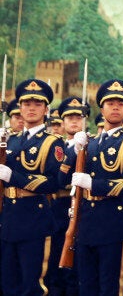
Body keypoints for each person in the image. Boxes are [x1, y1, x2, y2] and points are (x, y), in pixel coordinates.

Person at [59, 79, 123, 295]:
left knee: (109, 284)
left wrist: (93, 185)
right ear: (101, 108)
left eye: (120, 104)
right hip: (86, 219)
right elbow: (63, 176)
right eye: (110, 103)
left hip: (112, 220)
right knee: (86, 283)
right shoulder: (91, 142)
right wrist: (73, 149)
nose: (115, 107)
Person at [0, 79, 65, 295]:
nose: (31, 108)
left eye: (37, 104)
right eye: (26, 103)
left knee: (31, 284)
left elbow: (54, 182)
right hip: (8, 217)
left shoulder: (52, 142)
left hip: (33, 218)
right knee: (8, 282)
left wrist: (14, 177)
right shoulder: (11, 141)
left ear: (46, 109)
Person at [45, 96, 88, 296]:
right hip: (60, 204)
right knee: (56, 255)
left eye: (78, 117)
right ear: (62, 122)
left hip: (82, 205)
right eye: (69, 117)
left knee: (78, 257)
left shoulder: (92, 146)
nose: (74, 121)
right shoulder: (56, 147)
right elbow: (57, 179)